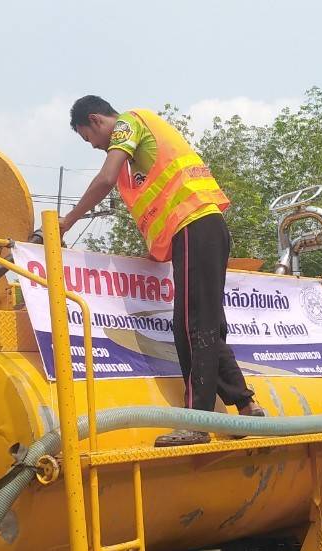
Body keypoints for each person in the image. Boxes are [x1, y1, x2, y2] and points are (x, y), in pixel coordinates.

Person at [61, 95, 265, 447]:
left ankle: (197, 423)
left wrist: (67, 221)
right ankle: (246, 406)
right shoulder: (140, 151)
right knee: (205, 325)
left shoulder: (128, 122)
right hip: (200, 228)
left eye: (88, 137)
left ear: (95, 120)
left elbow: (105, 179)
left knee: (192, 327)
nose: (93, 145)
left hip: (195, 226)